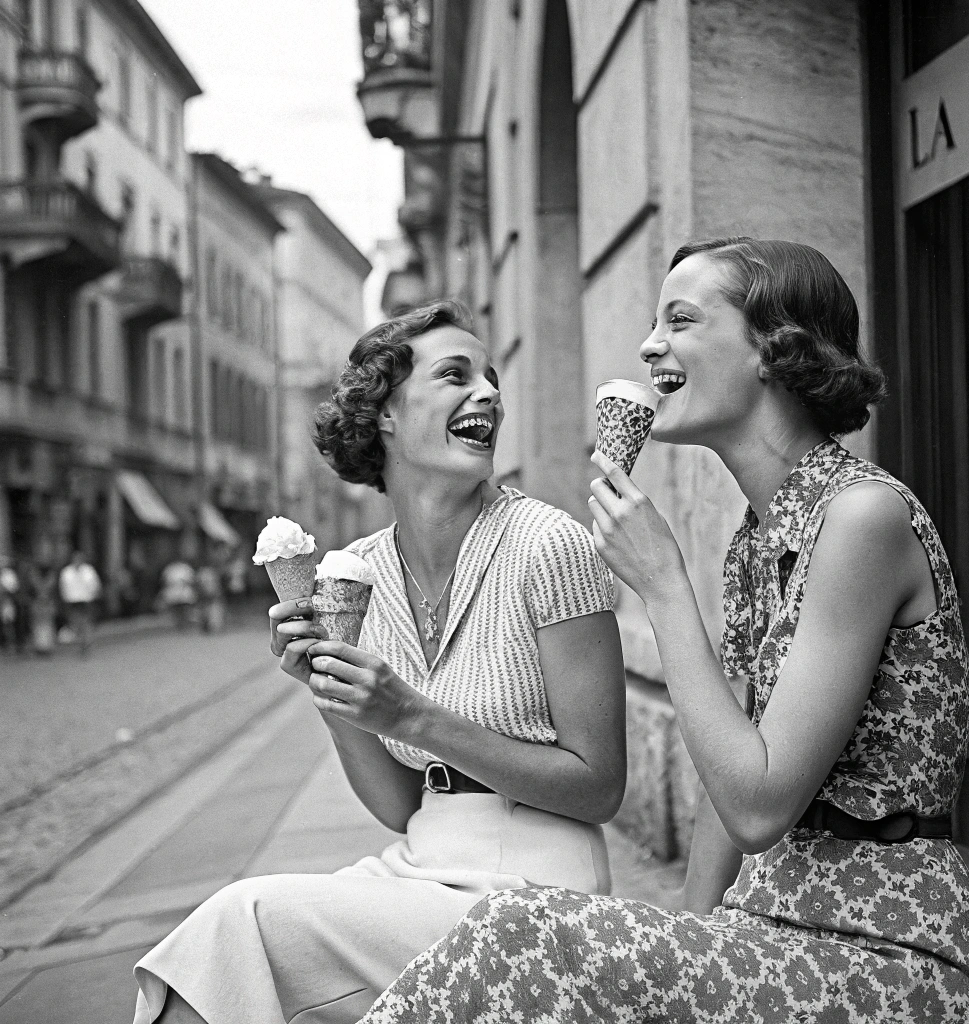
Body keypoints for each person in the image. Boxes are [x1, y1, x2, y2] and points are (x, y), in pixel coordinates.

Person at [357, 239, 969, 1024]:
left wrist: (662, 584)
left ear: (775, 347)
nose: (648, 344)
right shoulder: (762, 536)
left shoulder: (861, 517)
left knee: (520, 932)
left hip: (891, 955)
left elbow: (758, 807)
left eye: (682, 319)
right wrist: (684, 941)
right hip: (773, 934)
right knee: (522, 948)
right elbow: (722, 781)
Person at [130, 299, 627, 1024]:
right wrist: (327, 691)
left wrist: (415, 717)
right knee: (203, 970)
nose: (487, 392)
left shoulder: (549, 546)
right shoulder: (354, 574)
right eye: (455, 375)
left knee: (242, 921)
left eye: (491, 378)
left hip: (537, 887)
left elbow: (599, 788)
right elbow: (399, 807)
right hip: (420, 864)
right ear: (385, 414)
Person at [58, 551, 102, 655]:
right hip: (72, 600)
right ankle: (81, 643)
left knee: (86, 622)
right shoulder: (67, 571)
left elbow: (95, 584)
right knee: (75, 623)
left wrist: (94, 595)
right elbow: (63, 587)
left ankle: (86, 644)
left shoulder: (88, 570)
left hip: (86, 600)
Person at [158, 556, 196, 630]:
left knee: (185, 608)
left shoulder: (185, 568)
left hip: (184, 591)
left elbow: (191, 579)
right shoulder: (170, 568)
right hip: (174, 592)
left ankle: (185, 623)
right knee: (176, 609)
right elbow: (164, 580)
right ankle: (179, 623)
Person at [0, 555, 19, 652]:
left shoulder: (9, 574)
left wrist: (3, 588)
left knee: (8, 623)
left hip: (6, 602)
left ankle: (10, 644)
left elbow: (14, 588)